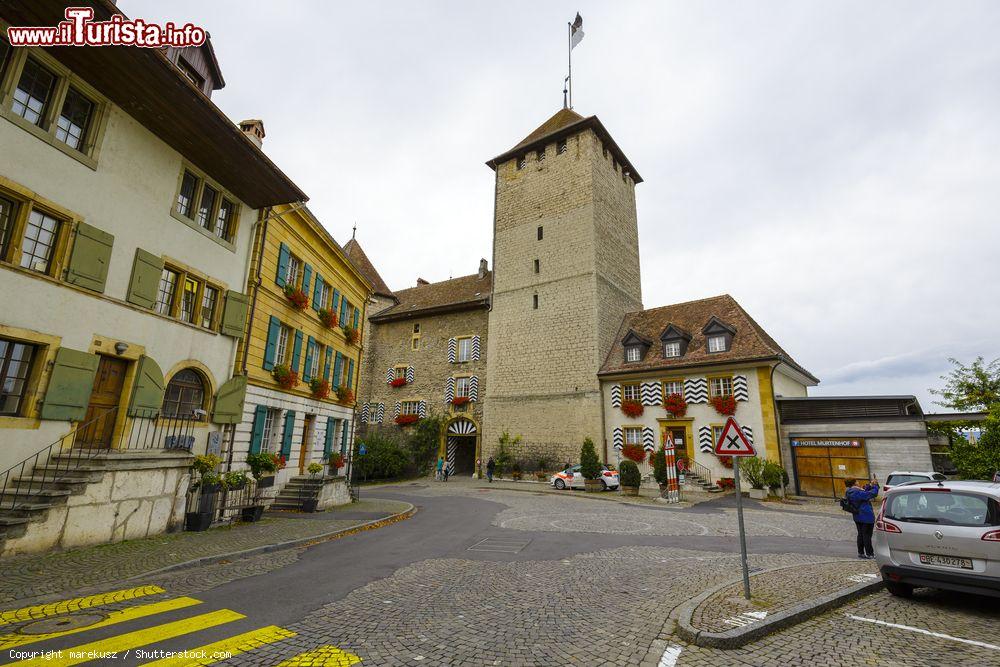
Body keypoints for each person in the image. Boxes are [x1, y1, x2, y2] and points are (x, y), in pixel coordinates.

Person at [845, 476, 880, 559]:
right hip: (866, 517)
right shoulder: (857, 492)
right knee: (867, 535)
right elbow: (872, 494)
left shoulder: (850, 491)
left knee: (861, 535)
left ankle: (861, 552)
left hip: (858, 516)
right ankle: (869, 553)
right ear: (854, 483)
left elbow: (864, 491)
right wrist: (875, 485)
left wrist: (870, 485)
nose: (858, 482)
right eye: (857, 481)